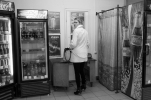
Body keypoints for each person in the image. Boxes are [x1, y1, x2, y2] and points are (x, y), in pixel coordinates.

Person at [70, 17, 89, 95]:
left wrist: (70, 46)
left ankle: (78, 89)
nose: (74, 23)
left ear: (80, 23)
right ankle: (83, 85)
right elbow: (88, 43)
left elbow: (73, 44)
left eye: (76, 22)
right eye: (74, 22)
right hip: (84, 54)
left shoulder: (75, 31)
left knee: (77, 72)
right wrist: (83, 49)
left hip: (77, 55)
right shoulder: (85, 31)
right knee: (82, 71)